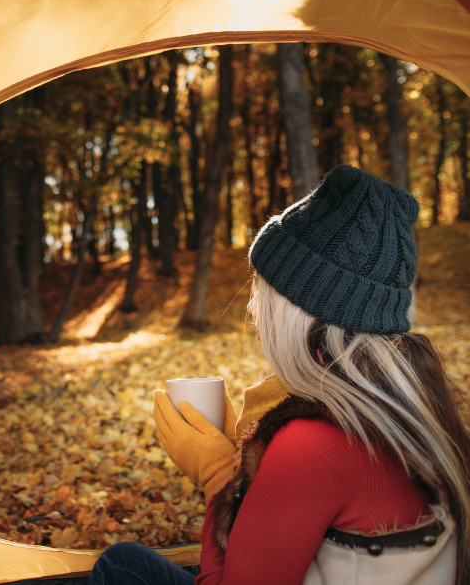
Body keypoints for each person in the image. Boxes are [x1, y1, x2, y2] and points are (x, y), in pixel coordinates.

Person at [88, 166, 470, 585]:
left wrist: (221, 478)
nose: (252, 309)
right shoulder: (418, 407)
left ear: (298, 309)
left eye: (261, 289)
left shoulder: (315, 443)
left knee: (119, 566)